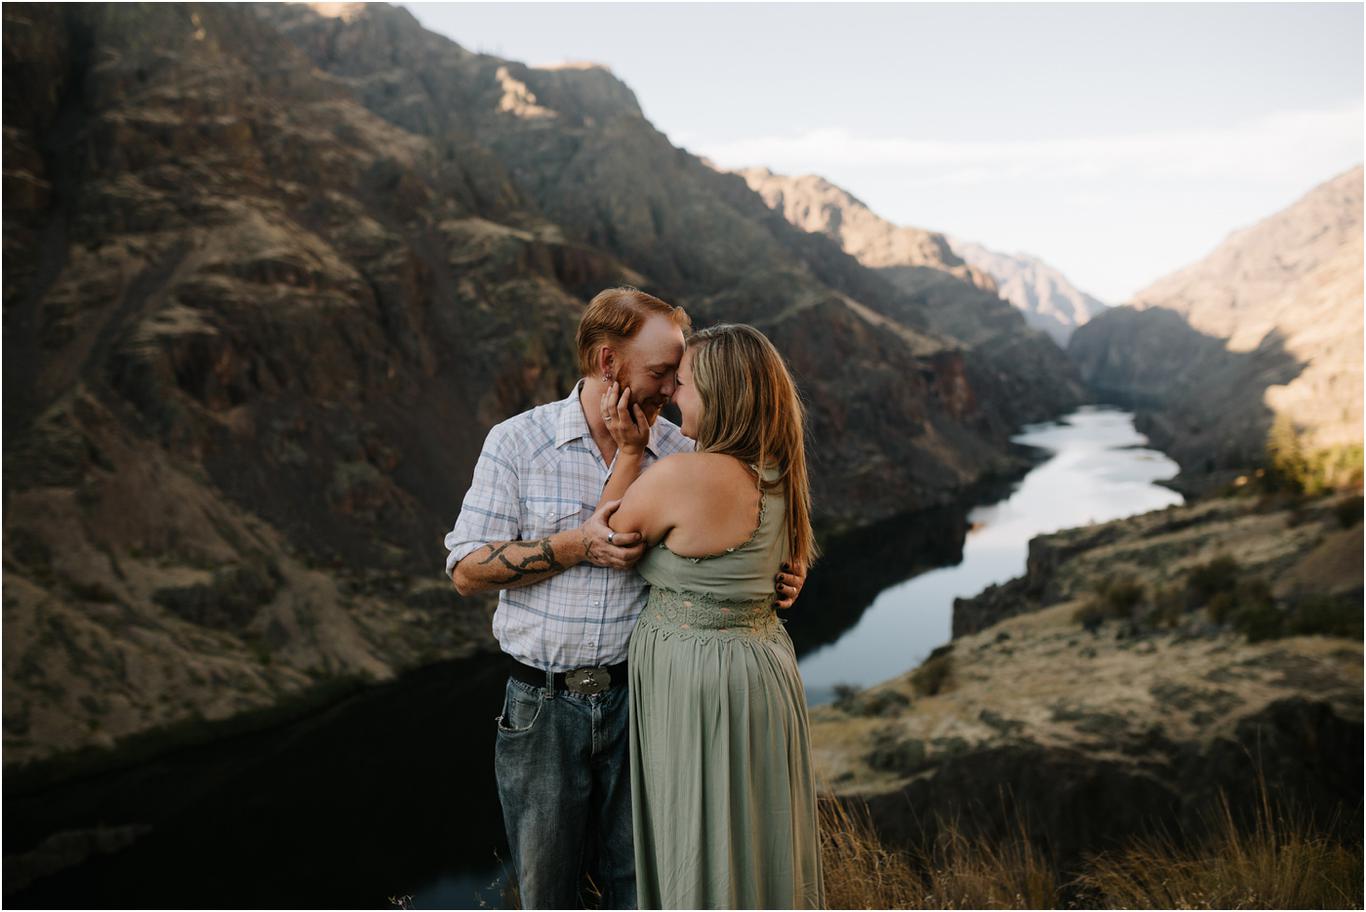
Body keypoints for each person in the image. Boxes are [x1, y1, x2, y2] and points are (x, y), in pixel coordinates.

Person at [444, 289, 807, 910]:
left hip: (644, 702)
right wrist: (572, 545)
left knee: (642, 887)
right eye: (661, 371)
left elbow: (738, 530)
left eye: (678, 375)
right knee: (549, 892)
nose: (671, 389)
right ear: (608, 362)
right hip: (543, 708)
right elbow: (465, 570)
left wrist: (777, 578)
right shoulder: (518, 443)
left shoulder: (685, 448)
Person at [598, 323, 825, 909]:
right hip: (765, 670)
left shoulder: (682, 476)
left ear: (720, 394)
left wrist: (629, 452)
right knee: (758, 830)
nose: (673, 393)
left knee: (701, 833)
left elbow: (606, 536)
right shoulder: (782, 471)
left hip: (699, 683)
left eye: (684, 382)